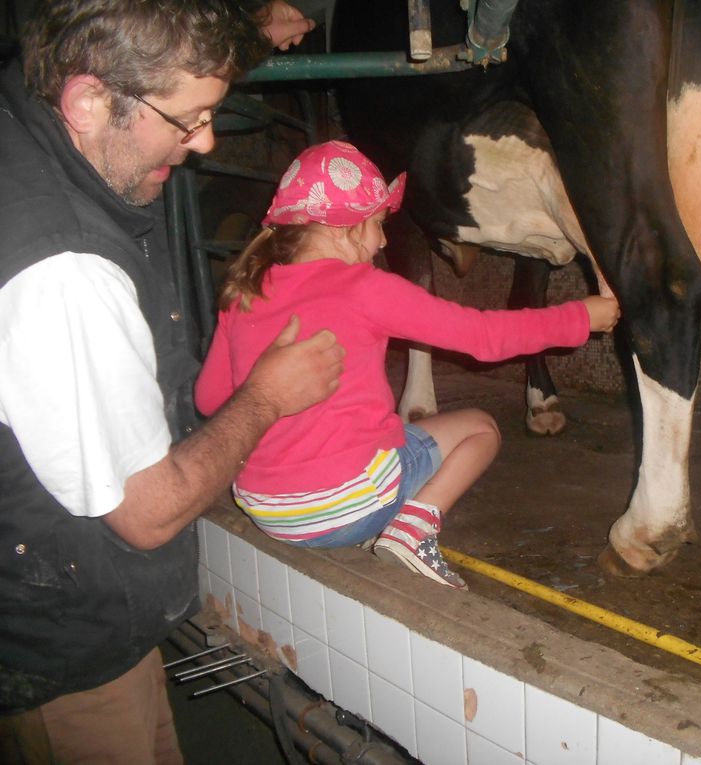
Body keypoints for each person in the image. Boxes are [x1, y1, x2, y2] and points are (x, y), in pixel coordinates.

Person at [0, 1, 344, 763]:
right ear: (88, 101)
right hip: (64, 648)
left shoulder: (28, 112)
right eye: (188, 119)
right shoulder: (64, 274)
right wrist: (267, 396)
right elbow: (148, 512)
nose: (207, 142)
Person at [195, 140, 620, 589]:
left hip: (266, 508)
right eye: (378, 223)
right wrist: (580, 317)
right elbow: (482, 336)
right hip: (343, 507)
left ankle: (373, 512)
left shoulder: (243, 293)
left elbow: (209, 399)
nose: (382, 240)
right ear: (345, 228)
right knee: (481, 428)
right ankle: (413, 528)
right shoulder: (365, 286)